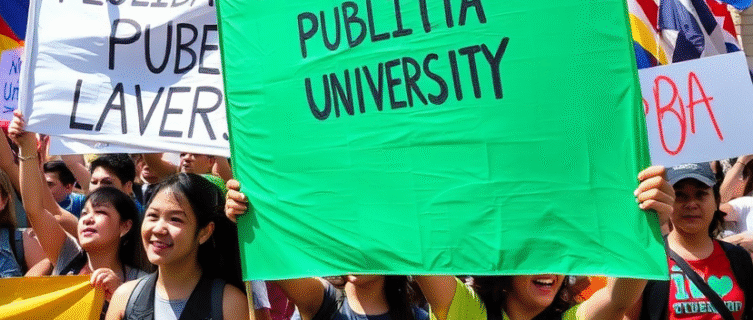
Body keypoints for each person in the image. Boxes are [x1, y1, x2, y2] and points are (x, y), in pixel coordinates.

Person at [225, 166, 674, 320]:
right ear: (502, 267)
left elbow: (620, 298)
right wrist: (254, 215)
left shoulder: (573, 317)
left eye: (557, 258)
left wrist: (650, 223)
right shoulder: (469, 313)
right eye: (534, 256)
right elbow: (416, 247)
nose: (549, 269)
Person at [9, 111, 149, 302]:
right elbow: (34, 209)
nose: (88, 219)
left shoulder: (141, 283)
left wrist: (120, 297)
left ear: (125, 226)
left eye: (100, 212)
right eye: (84, 213)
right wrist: (27, 147)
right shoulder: (66, 254)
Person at [105, 172, 248, 320]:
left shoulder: (229, 303)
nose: (158, 229)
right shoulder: (124, 298)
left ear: (205, 232)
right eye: (153, 216)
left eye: (175, 219)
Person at [632, 162, 753, 320]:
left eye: (700, 194)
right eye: (679, 195)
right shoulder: (649, 260)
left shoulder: (739, 258)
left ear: (716, 201)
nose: (691, 204)